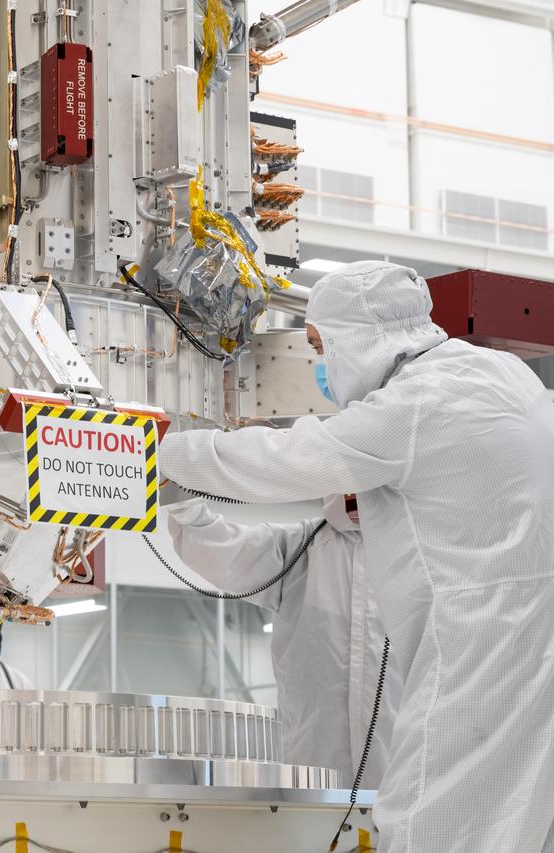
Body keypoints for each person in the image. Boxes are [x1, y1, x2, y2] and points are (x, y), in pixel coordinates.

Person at [159, 261, 554, 852]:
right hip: (530, 646)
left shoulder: (417, 402)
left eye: (322, 347)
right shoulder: (500, 374)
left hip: (476, 648)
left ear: (358, 337)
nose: (323, 366)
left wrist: (160, 449)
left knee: (428, 826)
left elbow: (293, 458)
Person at [168, 495, 400, 788]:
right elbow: (226, 549)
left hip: (401, 782)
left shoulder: (417, 558)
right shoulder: (300, 548)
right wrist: (181, 502)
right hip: (313, 778)